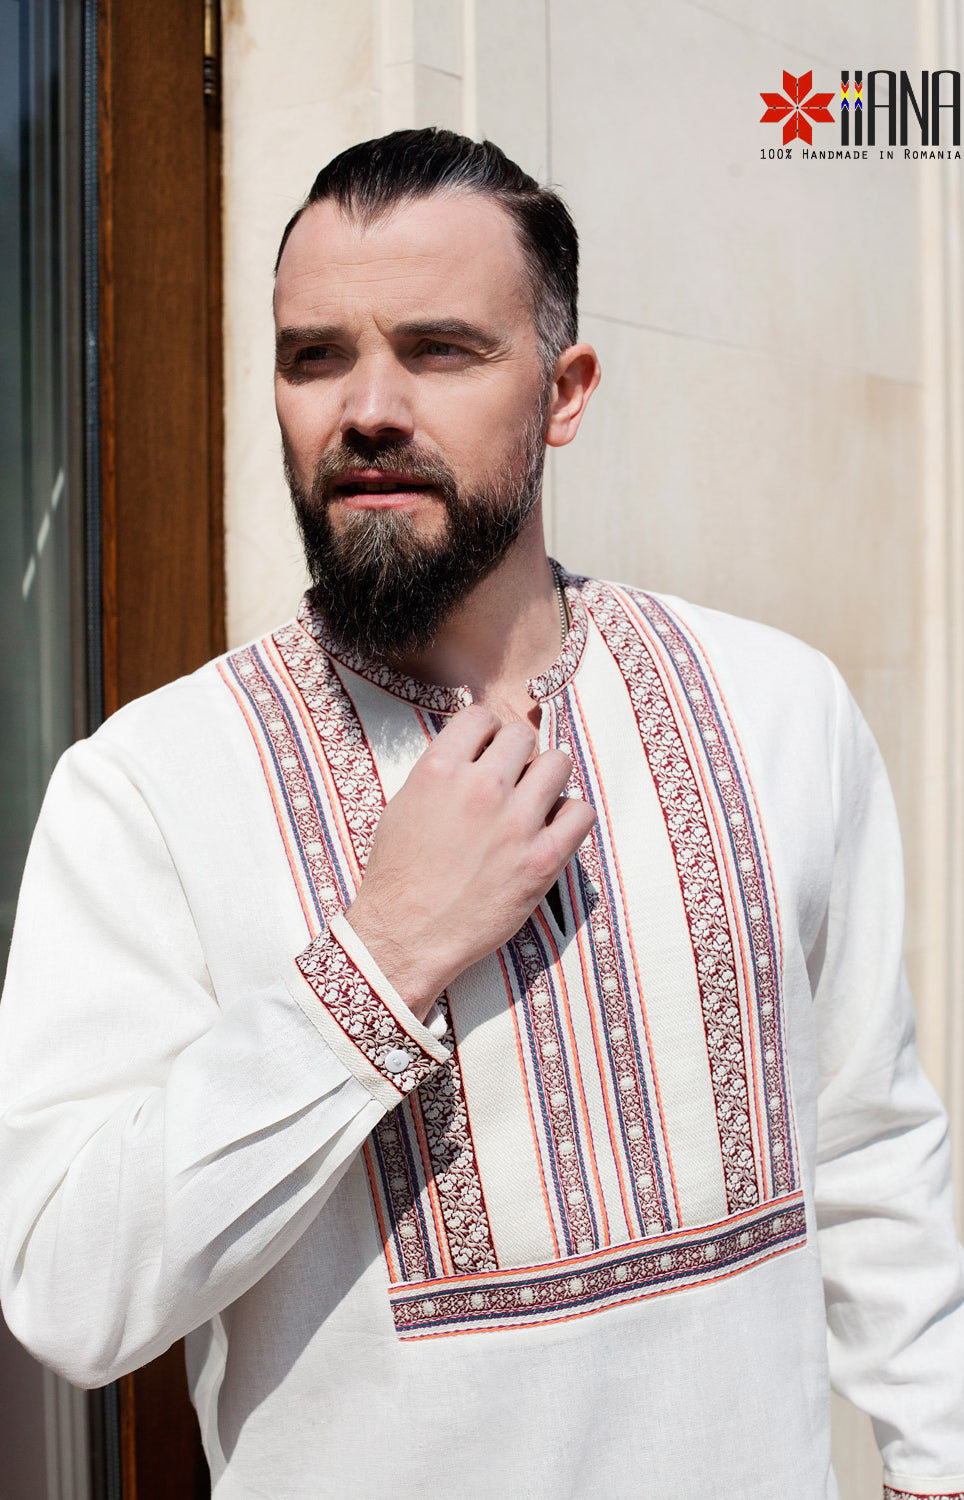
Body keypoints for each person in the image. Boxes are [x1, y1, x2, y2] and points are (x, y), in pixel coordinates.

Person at [0, 128, 961, 1500]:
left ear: (564, 393)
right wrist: (380, 961)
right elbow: (66, 1290)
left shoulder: (776, 707)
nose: (367, 408)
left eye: (439, 350)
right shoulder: (148, 788)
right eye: (314, 356)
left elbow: (869, 1145)